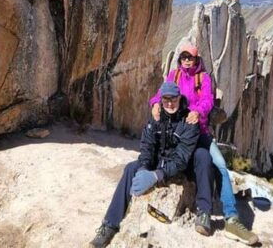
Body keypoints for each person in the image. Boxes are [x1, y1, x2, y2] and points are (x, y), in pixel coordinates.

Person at [149, 43, 259, 246]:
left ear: (196, 58)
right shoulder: (174, 75)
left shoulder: (203, 78)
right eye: (183, 57)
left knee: (219, 165)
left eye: (190, 57)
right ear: (179, 59)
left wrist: (197, 112)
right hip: (175, 132)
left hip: (198, 131)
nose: (186, 61)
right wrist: (155, 103)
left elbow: (208, 101)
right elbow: (160, 93)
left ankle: (231, 218)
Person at [89, 82, 215, 248]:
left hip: (183, 167)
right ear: (161, 100)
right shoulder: (154, 119)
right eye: (166, 99)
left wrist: (157, 175)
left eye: (173, 99)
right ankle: (109, 225)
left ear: (180, 99)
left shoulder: (189, 122)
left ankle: (204, 212)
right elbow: (146, 148)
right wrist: (143, 170)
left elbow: (181, 159)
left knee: (203, 156)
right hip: (161, 162)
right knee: (130, 168)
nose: (170, 103)